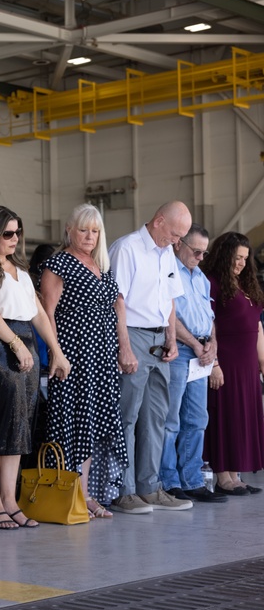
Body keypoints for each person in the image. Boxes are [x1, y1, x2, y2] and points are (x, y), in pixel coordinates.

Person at [0, 206, 69, 529]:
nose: (14, 239)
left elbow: (39, 313)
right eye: (8, 233)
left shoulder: (20, 268)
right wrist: (13, 343)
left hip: (23, 341)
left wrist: (56, 351)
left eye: (17, 233)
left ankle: (10, 499)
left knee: (20, 424)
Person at [41, 204, 128, 517]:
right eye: (83, 230)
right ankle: (71, 494)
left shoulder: (101, 265)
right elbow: (47, 312)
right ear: (69, 229)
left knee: (94, 423)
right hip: (74, 353)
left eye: (95, 231)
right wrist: (57, 353)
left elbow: (116, 306)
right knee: (73, 422)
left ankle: (88, 493)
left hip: (102, 356)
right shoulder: (58, 263)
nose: (89, 236)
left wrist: (122, 348)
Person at [107, 201, 193, 514]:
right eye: (175, 233)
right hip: (134, 335)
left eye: (181, 236)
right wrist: (124, 347)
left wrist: (172, 339)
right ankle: (124, 490)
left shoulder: (166, 251)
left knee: (157, 417)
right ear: (158, 221)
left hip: (160, 340)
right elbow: (117, 301)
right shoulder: (127, 248)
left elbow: (169, 299)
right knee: (127, 416)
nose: (177, 241)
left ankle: (149, 487)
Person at [161, 224, 225, 503]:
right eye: (196, 251)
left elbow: (209, 316)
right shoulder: (167, 270)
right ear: (179, 245)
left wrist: (213, 345)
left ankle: (192, 479)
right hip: (180, 351)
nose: (200, 257)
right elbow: (168, 316)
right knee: (170, 420)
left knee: (197, 419)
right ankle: (170, 481)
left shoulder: (201, 277)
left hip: (201, 354)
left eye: (204, 252)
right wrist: (197, 345)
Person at [202, 232, 264, 496]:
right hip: (226, 360)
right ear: (225, 254)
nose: (241, 263)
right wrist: (214, 363)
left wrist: (263, 362)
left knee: (244, 417)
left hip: (248, 362)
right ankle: (223, 476)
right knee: (226, 416)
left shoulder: (246, 284)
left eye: (245, 258)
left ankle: (236, 474)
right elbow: (208, 324)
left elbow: (257, 325)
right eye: (237, 257)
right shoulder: (212, 282)